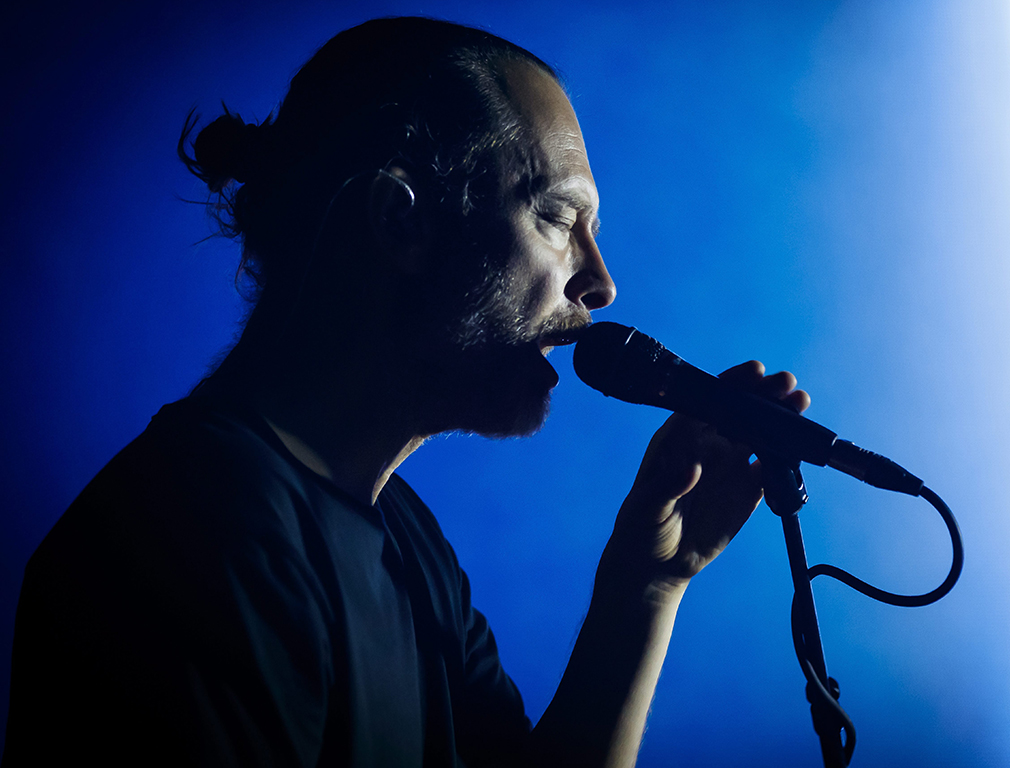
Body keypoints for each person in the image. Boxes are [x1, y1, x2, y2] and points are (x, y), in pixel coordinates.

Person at [3, 17, 809, 768]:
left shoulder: (408, 541)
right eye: (559, 218)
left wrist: (645, 583)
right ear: (400, 221)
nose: (599, 283)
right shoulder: (191, 540)